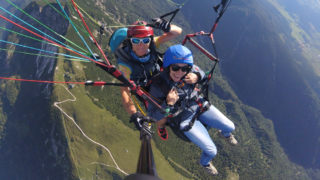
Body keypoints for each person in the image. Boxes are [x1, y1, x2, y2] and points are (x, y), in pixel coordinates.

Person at [147, 44, 237, 176]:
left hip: (199, 105)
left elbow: (202, 73)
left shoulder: (190, 70)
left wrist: (197, 76)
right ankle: (205, 163)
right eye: (175, 68)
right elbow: (153, 115)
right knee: (212, 151)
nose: (180, 72)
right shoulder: (159, 85)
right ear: (167, 66)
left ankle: (225, 134)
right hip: (183, 117)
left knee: (230, 127)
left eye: (184, 69)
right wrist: (169, 104)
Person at [115, 19, 182, 127]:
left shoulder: (153, 44)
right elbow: (125, 90)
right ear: (130, 41)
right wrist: (134, 114)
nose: (141, 45)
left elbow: (178, 32)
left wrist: (166, 26)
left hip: (158, 77)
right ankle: (161, 125)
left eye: (145, 41)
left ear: (150, 40)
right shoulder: (125, 63)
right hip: (145, 89)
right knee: (157, 114)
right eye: (136, 41)